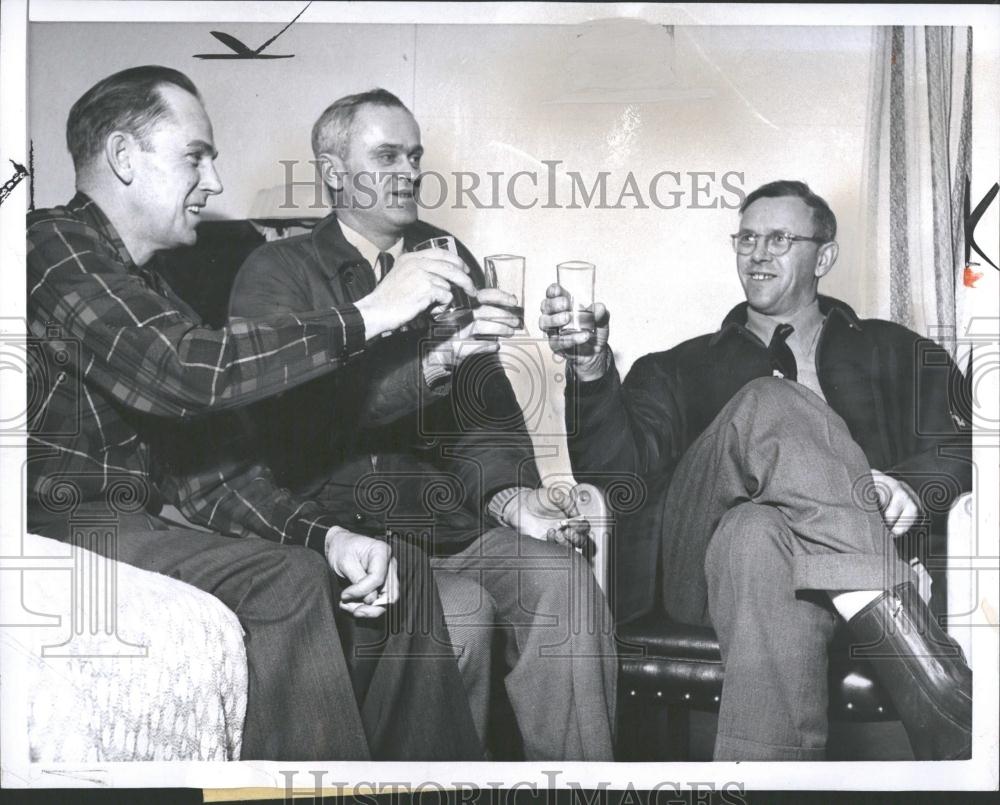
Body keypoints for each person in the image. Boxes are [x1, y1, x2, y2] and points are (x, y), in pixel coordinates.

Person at [26, 65, 483, 761]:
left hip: (137, 518)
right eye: (195, 156)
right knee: (287, 581)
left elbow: (212, 477)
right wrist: (368, 314)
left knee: (404, 572)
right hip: (54, 517)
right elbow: (190, 370)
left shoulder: (150, 290)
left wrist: (326, 534)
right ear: (122, 157)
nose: (212, 183)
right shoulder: (44, 244)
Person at [214, 88, 617, 760]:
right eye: (386, 155)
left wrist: (512, 499)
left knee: (564, 585)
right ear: (334, 172)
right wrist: (433, 362)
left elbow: (483, 412)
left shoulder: (448, 256)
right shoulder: (277, 273)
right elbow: (296, 424)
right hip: (341, 530)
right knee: (459, 612)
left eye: (415, 155)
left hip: (447, 521)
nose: (409, 171)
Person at [540, 180, 972, 761]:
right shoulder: (679, 366)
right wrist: (591, 371)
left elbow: (967, 450)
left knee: (756, 536)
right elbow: (619, 478)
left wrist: (909, 489)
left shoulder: (897, 352)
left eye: (778, 238)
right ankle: (920, 664)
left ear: (823, 256)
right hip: (701, 574)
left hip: (775, 566)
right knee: (768, 402)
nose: (757, 253)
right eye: (746, 238)